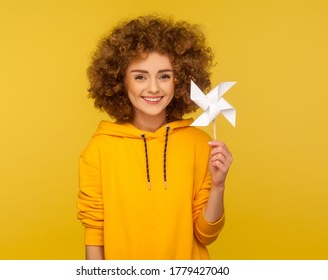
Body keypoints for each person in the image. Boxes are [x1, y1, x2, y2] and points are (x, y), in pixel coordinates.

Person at [77, 15, 233, 260]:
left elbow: (206, 235)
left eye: (164, 76)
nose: (153, 88)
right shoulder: (100, 148)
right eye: (140, 76)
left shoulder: (200, 144)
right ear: (120, 81)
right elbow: (95, 234)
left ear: (180, 80)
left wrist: (219, 185)